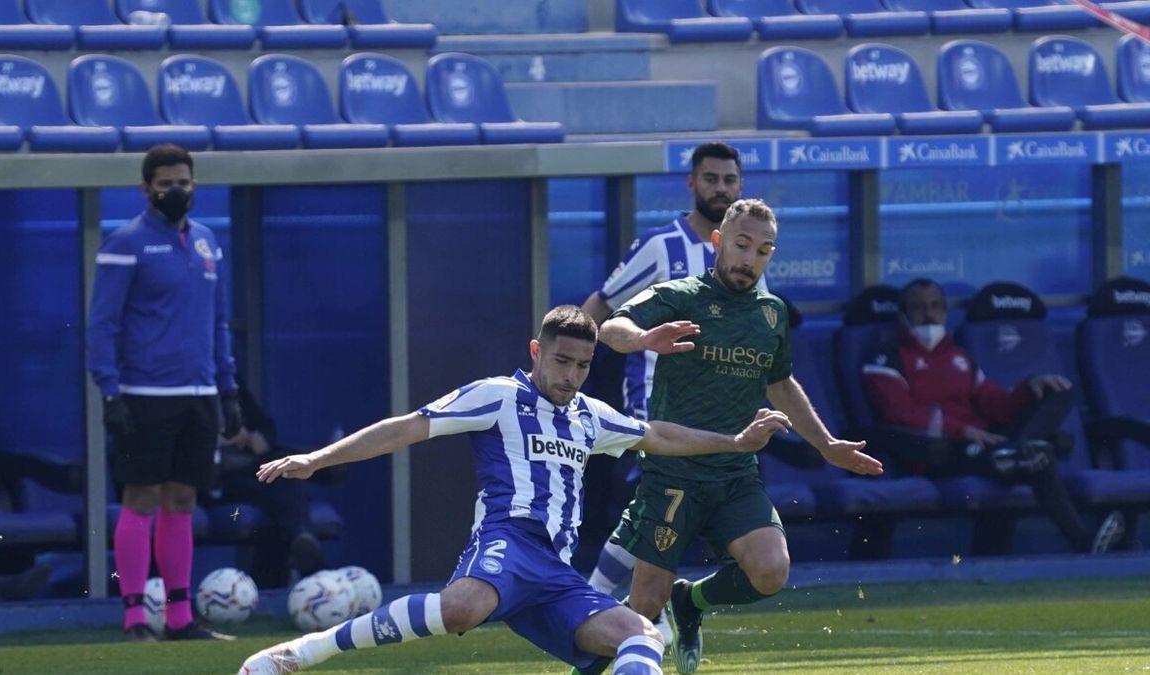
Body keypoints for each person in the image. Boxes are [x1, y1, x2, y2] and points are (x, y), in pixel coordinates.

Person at [239, 305, 794, 675]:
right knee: (460, 609)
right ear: (536, 351)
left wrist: (735, 440)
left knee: (644, 637)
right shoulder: (498, 396)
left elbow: (657, 434)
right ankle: (299, 653)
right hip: (509, 542)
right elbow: (409, 426)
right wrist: (317, 458)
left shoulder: (589, 416)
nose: (571, 374)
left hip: (555, 572)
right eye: (561, 361)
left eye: (582, 364)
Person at [584, 199, 883, 675]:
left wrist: (827, 446)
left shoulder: (772, 313)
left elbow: (781, 384)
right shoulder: (681, 294)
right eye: (742, 245)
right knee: (641, 612)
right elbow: (611, 326)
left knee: (770, 571)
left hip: (735, 473)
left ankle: (692, 601)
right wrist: (643, 340)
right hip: (673, 471)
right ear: (719, 241)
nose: (750, 259)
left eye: (763, 251)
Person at [580, 141, 766, 637]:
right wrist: (565, 364)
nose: (720, 189)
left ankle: (633, 606)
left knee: (653, 510)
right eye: (711, 179)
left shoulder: (748, 256)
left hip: (722, 413)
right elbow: (602, 303)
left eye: (729, 180)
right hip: (655, 402)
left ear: (740, 185)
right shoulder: (662, 247)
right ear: (692, 184)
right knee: (656, 502)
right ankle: (606, 606)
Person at [86, 144, 241, 642]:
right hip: (144, 391)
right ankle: (134, 617)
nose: (176, 190)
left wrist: (228, 388)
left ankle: (178, 618)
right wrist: (110, 392)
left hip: (198, 391)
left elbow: (218, 323)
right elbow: (101, 324)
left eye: (184, 182)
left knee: (183, 498)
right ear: (146, 187)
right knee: (141, 497)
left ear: (195, 185)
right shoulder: (125, 243)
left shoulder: (206, 242)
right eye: (166, 183)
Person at [861, 278, 1125, 555]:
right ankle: (1084, 542)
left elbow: (995, 404)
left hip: (985, 447)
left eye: (936, 306)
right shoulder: (886, 357)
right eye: (919, 307)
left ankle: (1015, 450)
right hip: (939, 452)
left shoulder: (959, 356)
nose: (929, 313)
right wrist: (962, 430)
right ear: (903, 315)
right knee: (1039, 458)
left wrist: (1030, 388)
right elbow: (900, 414)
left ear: (945, 312)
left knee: (1060, 393)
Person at [206, 382, 325, 588]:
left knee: (284, 472)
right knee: (281, 501)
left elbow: (265, 426)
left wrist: (256, 437)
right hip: (213, 477)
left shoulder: (228, 381)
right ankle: (312, 561)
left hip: (249, 465)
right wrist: (219, 440)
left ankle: (303, 544)